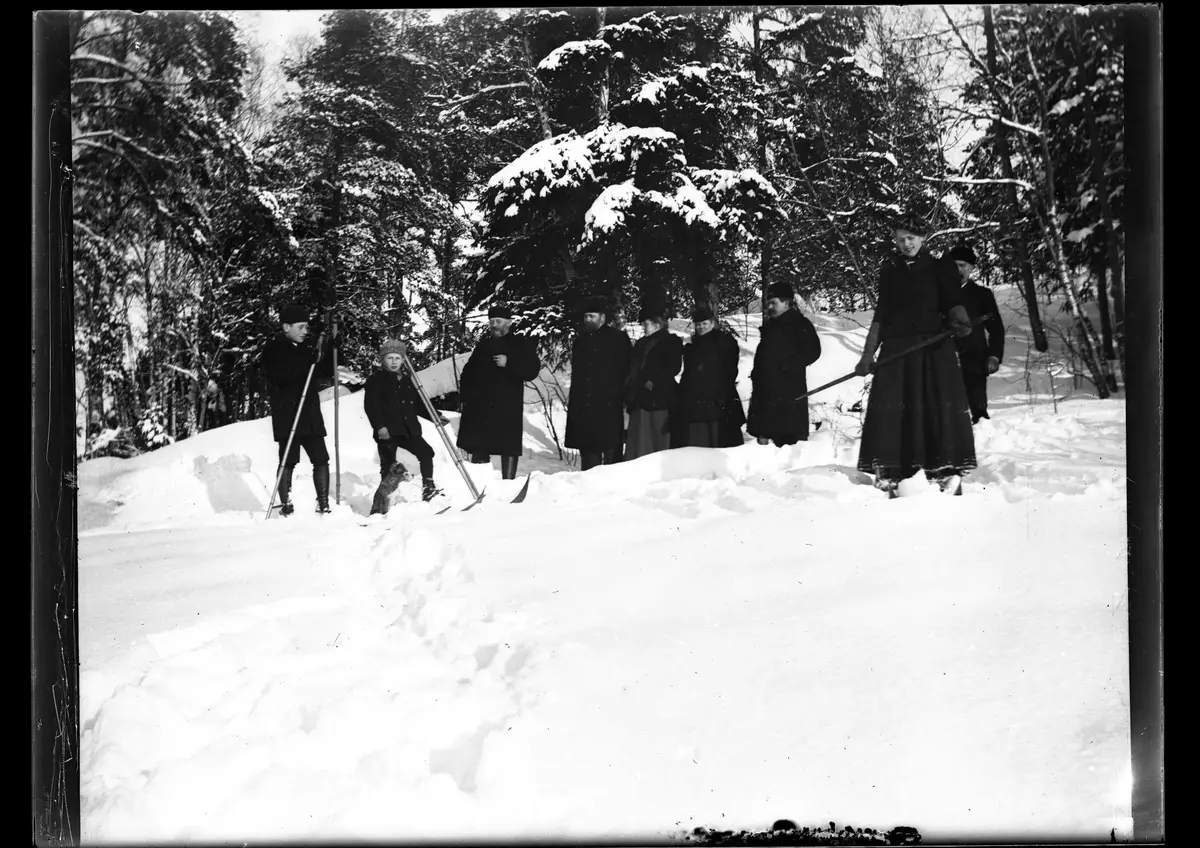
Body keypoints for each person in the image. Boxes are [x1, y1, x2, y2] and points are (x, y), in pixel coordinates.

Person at [854, 219, 977, 497]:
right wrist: (867, 354)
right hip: (897, 351)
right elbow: (881, 315)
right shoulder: (889, 271)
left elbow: (953, 301)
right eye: (900, 239)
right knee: (894, 411)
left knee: (935, 406)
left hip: (933, 349)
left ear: (922, 238)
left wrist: (960, 321)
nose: (906, 244)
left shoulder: (940, 267)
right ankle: (892, 473)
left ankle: (944, 471)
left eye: (911, 237)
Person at [260, 302, 338, 515]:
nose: (305, 331)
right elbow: (282, 374)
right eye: (301, 327)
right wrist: (310, 362)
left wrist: (331, 347)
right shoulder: (274, 348)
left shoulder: (305, 350)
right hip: (288, 413)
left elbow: (323, 371)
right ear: (286, 327)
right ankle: (286, 502)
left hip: (309, 413)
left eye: (306, 327)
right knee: (288, 459)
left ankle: (323, 502)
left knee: (321, 458)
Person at [364, 338, 450, 514]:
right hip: (387, 430)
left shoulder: (406, 380)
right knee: (388, 465)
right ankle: (382, 505)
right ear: (383, 359)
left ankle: (428, 489)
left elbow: (418, 405)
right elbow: (371, 406)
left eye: (398, 358)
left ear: (403, 360)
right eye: (390, 358)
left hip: (408, 429)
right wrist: (380, 426)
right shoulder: (376, 380)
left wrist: (435, 416)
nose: (394, 362)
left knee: (426, 453)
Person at [455, 304, 542, 480]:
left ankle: (508, 482)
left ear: (508, 323)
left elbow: (532, 370)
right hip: (481, 406)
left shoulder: (520, 344)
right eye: (492, 321)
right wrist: (465, 397)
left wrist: (509, 363)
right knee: (479, 445)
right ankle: (481, 484)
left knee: (508, 446)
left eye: (498, 321)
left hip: (506, 405)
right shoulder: (483, 345)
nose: (494, 325)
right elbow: (467, 372)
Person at [746, 283, 822, 447]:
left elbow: (813, 351)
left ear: (787, 303)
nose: (770, 307)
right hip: (765, 396)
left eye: (774, 303)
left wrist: (790, 365)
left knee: (787, 447)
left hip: (788, 394)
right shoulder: (770, 327)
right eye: (769, 303)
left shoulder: (800, 325)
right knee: (764, 448)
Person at [564, 296, 633, 470]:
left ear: (602, 317)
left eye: (592, 316)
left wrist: (623, 397)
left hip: (609, 404)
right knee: (589, 456)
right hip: (585, 407)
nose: (588, 320)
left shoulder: (618, 338)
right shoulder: (580, 342)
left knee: (611, 456)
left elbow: (627, 369)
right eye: (586, 316)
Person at [946, 244, 1005, 424]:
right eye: (953, 265)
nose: (958, 270)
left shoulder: (982, 295)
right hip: (944, 358)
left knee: (978, 413)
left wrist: (994, 356)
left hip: (974, 358)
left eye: (963, 265)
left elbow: (996, 329)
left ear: (971, 268)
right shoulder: (938, 294)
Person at [677, 305, 746, 448]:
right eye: (698, 325)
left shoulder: (724, 342)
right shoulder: (692, 346)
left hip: (719, 398)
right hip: (695, 402)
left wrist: (719, 394)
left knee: (720, 441)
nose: (701, 327)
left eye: (705, 324)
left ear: (712, 323)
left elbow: (730, 371)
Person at [623, 307, 683, 461]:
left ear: (657, 325)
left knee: (657, 435)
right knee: (640, 435)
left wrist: (654, 380)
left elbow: (673, 366)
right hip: (639, 396)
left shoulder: (670, 341)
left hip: (659, 396)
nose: (644, 327)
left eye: (647, 324)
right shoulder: (641, 343)